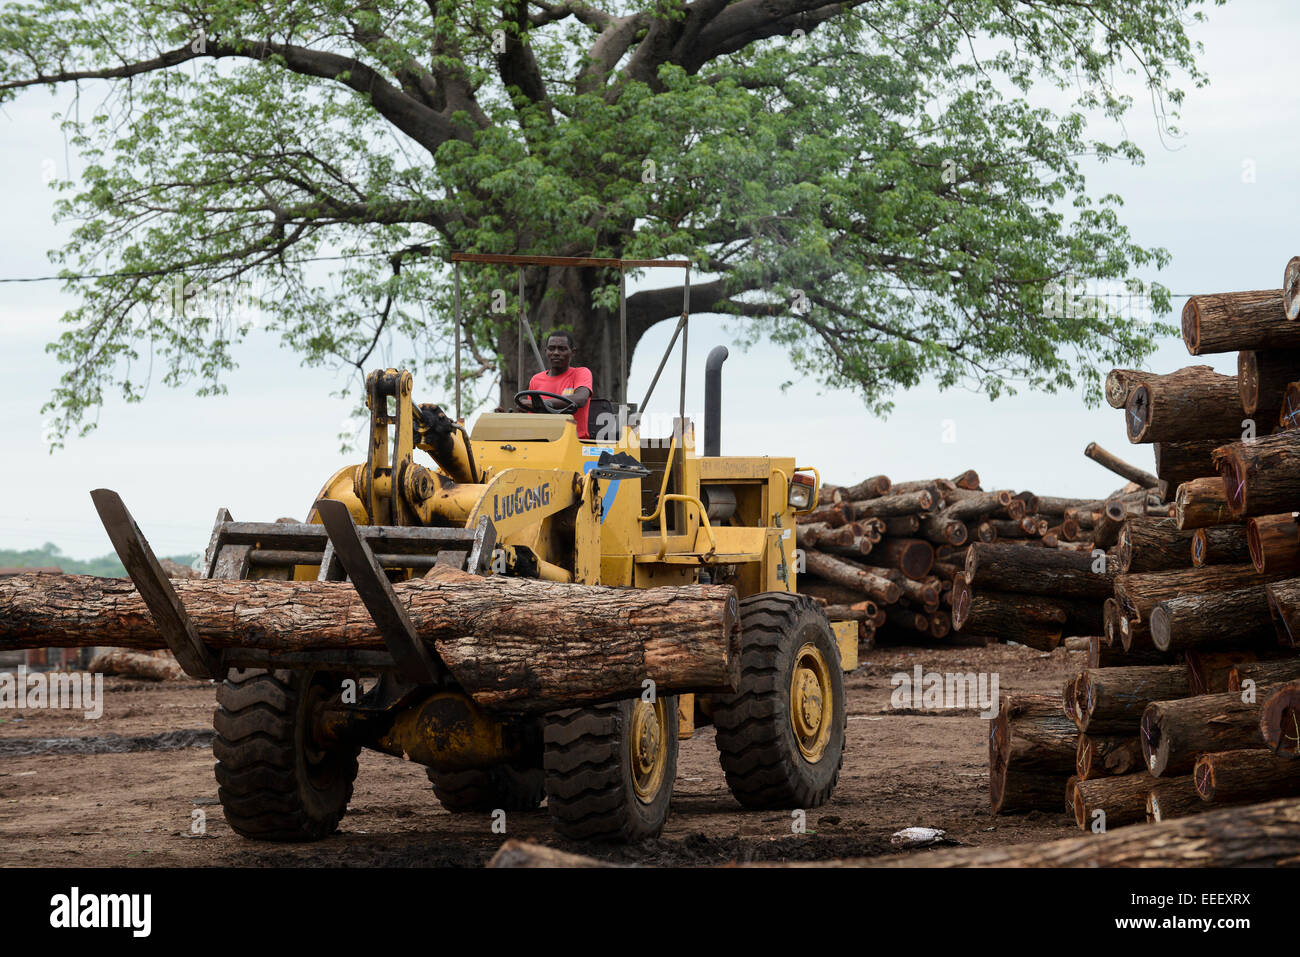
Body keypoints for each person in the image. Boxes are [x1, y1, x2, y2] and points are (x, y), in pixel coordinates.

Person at [527, 331, 593, 438]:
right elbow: (531, 415)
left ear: (573, 352)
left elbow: (580, 399)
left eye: (562, 349)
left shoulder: (581, 373)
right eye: (551, 348)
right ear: (546, 351)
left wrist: (543, 403)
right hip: (542, 441)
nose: (556, 353)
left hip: (574, 441)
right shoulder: (536, 379)